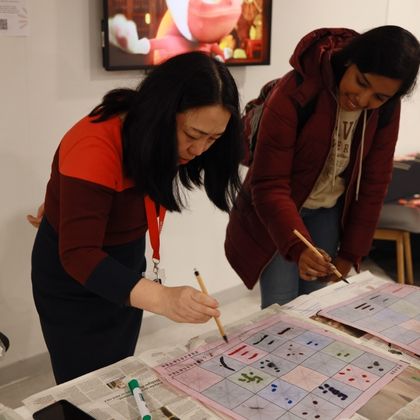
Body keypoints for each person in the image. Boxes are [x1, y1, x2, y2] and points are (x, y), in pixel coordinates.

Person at [28, 51, 243, 384]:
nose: (200, 150)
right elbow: (79, 254)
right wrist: (163, 298)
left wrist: (74, 206)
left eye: (213, 139)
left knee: (116, 370)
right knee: (83, 382)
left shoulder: (159, 137)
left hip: (125, 262)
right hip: (73, 275)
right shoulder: (95, 142)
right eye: (193, 135)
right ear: (161, 112)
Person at [225, 26, 420, 308]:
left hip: (328, 212)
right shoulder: (295, 92)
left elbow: (373, 183)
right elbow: (269, 185)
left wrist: (351, 252)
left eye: (379, 97)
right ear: (350, 61)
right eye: (361, 82)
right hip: (279, 212)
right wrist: (298, 247)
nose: (363, 100)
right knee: (282, 306)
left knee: (319, 303)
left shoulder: (387, 108)